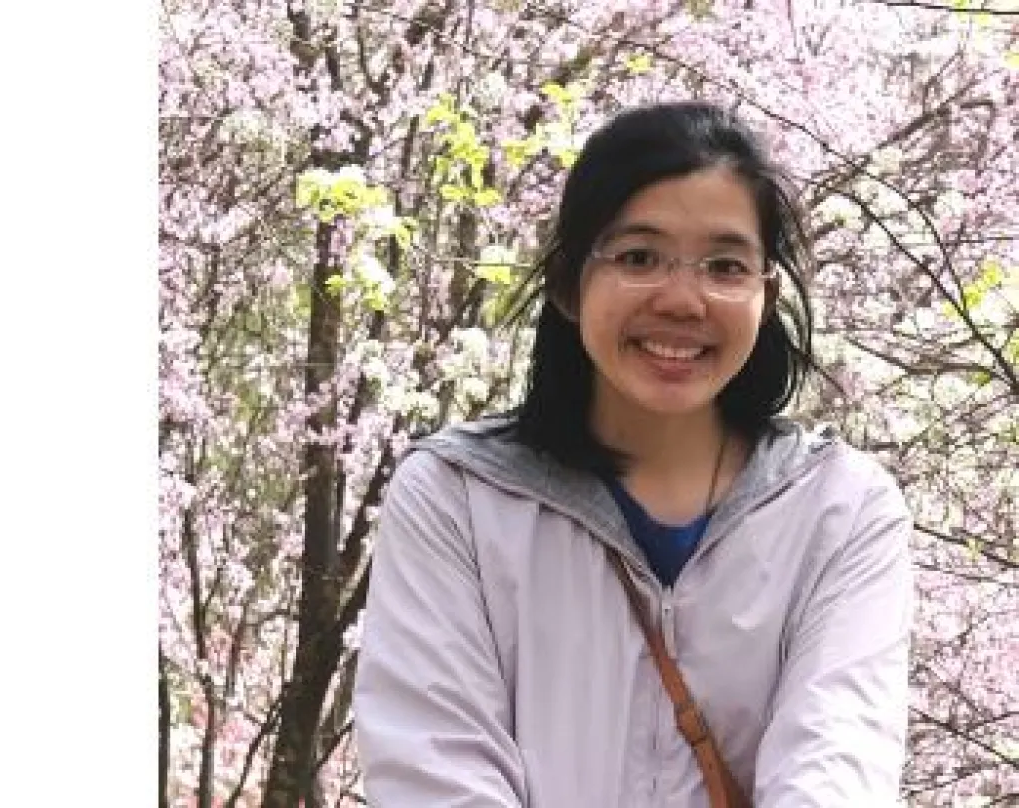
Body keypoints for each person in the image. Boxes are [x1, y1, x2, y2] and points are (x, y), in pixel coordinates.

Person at [352, 101, 914, 806]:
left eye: (725, 265)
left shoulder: (841, 512)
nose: (683, 300)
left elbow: (839, 768)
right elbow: (432, 772)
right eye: (639, 256)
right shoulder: (458, 496)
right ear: (566, 283)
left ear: (766, 296)